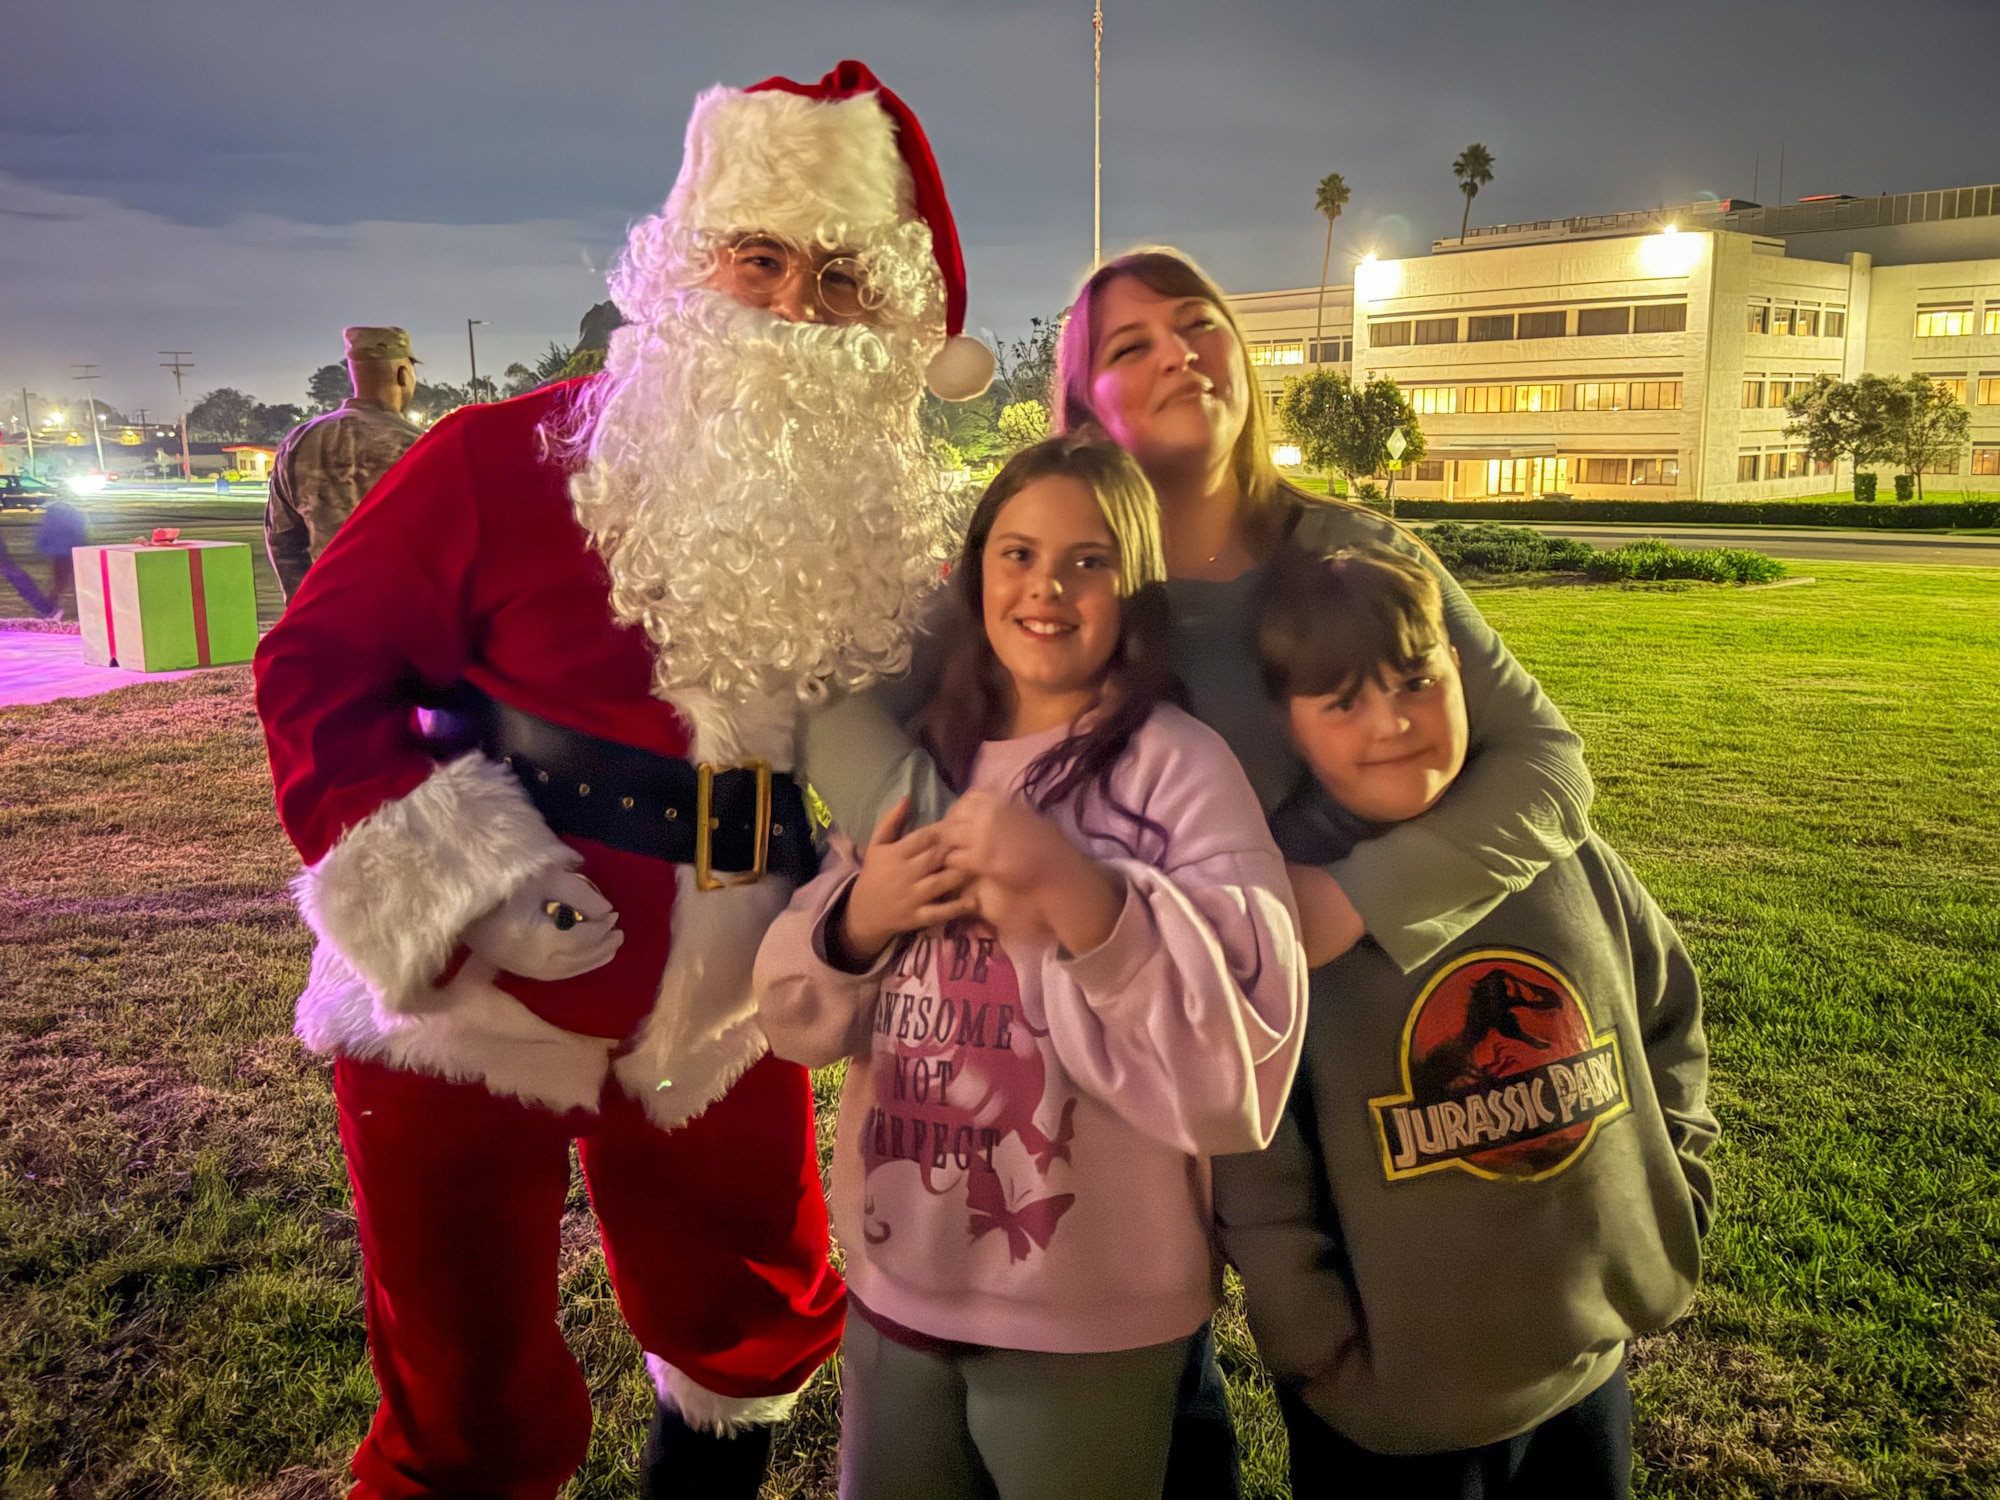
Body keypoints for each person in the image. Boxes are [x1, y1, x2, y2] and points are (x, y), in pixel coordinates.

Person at [252, 61, 995, 1500]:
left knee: (750, 1331)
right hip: (463, 998)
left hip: (735, 990)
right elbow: (316, 672)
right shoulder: (493, 460)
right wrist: (451, 890)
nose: (791, 307)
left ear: (893, 321)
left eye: (841, 280)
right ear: (683, 263)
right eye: (759, 257)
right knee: (461, 1393)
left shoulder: (887, 520)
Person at [800, 245, 1598, 1492]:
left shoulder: (1353, 555)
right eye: (1128, 347)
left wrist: (1348, 902)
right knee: (1151, 1400)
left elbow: (1543, 765)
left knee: (1395, 1416)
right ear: (1078, 414)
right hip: (1122, 1108)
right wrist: (945, 862)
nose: (1179, 353)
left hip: (1366, 1074)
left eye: (1198, 324)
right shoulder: (1035, 587)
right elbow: (840, 712)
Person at [756, 433, 1307, 1500]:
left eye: (1085, 561)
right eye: (1015, 554)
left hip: (1088, 1316)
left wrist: (1081, 895)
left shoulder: (1178, 774)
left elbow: (1235, 1076)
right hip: (893, 1291)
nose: (1044, 587)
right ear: (974, 578)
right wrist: (856, 923)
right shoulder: (925, 767)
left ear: (1132, 589)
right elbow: (793, 1017)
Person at [1214, 545, 1717, 1497]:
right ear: (1290, 724)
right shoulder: (1281, 904)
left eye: (1417, 679)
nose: (1394, 723)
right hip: (1391, 1418)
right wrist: (1315, 1347)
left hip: (1588, 1369)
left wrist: (1676, 1185)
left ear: (1463, 672)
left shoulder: (1550, 845)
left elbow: (1668, 1012)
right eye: (1343, 701)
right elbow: (1253, 1150)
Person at [264, 326, 424, 600]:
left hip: (329, 618)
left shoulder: (299, 442)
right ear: (403, 374)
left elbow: (283, 541)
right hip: (409, 615)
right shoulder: (419, 446)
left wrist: (305, 611)